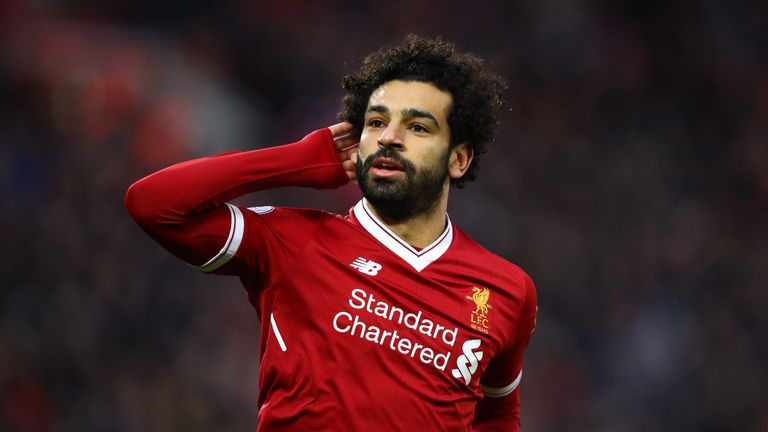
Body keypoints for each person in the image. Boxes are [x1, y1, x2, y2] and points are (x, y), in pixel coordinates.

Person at [125, 35, 537, 431]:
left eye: (418, 128)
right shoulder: (294, 241)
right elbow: (155, 205)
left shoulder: (507, 291)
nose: (389, 137)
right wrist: (293, 160)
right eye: (376, 122)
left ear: (459, 159)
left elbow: (497, 415)